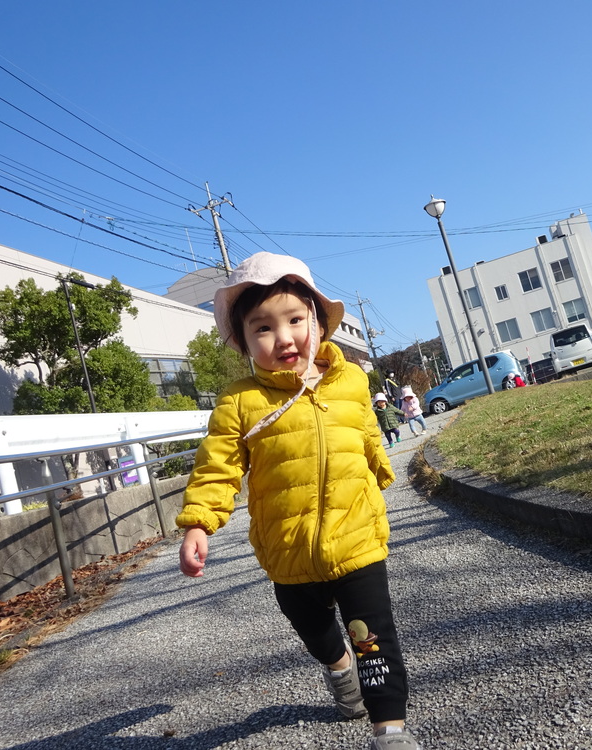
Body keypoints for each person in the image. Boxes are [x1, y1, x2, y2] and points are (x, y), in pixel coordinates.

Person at [176, 252, 420, 750]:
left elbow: (365, 429)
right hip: (287, 553)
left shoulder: (350, 379)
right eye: (262, 328)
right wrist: (199, 524)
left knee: (372, 636)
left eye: (294, 320)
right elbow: (218, 466)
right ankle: (338, 669)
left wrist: (379, 466)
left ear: (317, 320)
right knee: (318, 634)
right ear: (243, 341)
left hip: (356, 540)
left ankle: (389, 730)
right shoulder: (241, 402)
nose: (283, 338)